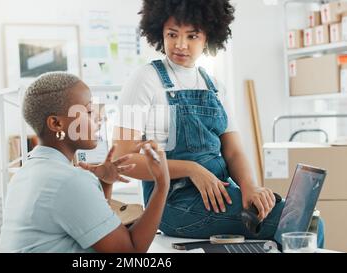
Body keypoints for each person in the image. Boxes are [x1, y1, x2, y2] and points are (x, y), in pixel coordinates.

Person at [113, 0, 324, 247]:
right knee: (304, 224)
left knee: (308, 219)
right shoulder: (144, 79)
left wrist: (249, 187)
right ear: (159, 32)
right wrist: (192, 169)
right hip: (173, 204)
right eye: (172, 34)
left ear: (209, 37)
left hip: (222, 194)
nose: (181, 45)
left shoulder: (214, 86)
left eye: (192, 36)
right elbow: (123, 162)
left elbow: (233, 151)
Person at [0, 72, 170, 253]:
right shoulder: (68, 180)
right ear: (56, 124)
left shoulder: (27, 172)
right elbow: (129, 254)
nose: (99, 118)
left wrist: (105, 183)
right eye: (88, 111)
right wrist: (162, 184)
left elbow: (91, 227)